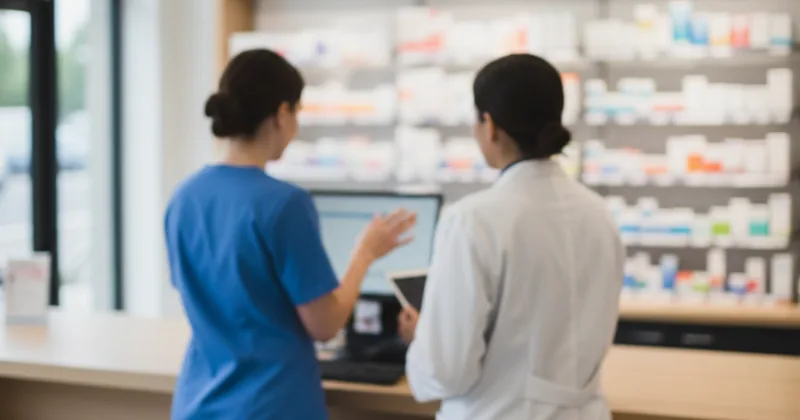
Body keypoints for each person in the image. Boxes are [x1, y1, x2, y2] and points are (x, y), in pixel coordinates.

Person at [164, 49, 416, 420]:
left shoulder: (184, 197)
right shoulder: (284, 204)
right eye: (297, 113)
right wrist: (365, 254)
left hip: (198, 402)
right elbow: (325, 325)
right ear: (282, 114)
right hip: (270, 406)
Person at [398, 54, 624, 420]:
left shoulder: (473, 219)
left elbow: (446, 373)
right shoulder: (598, 213)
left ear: (489, 125)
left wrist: (424, 338)